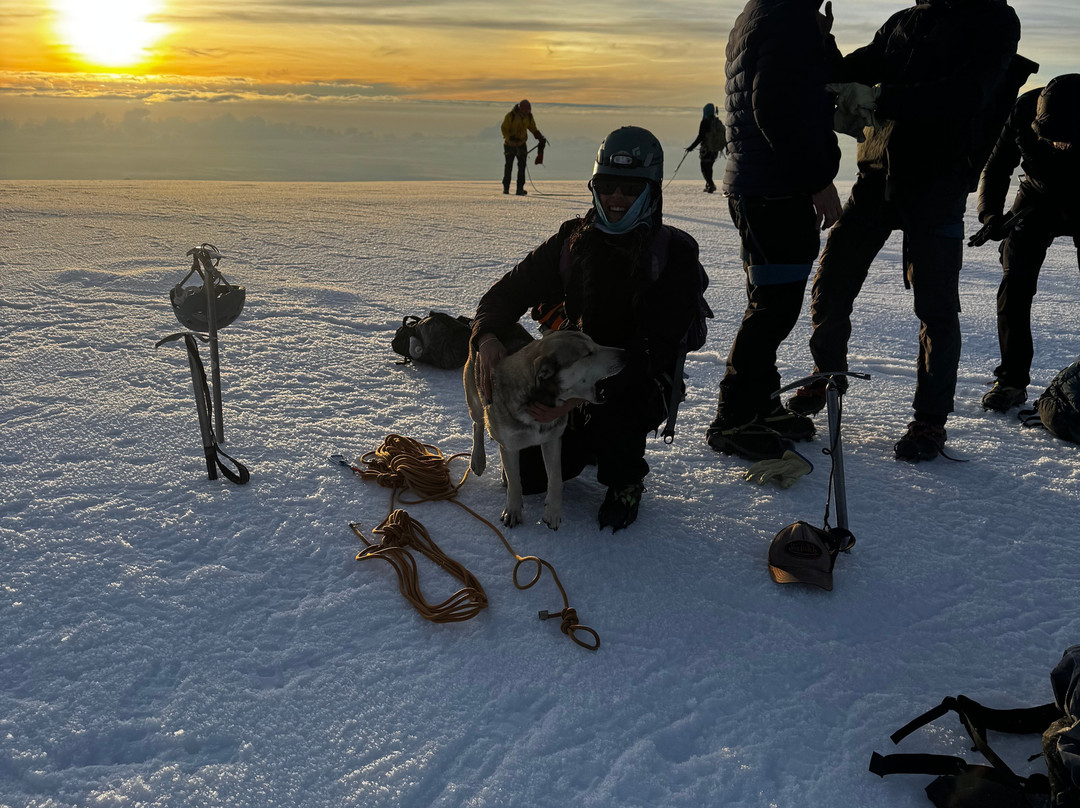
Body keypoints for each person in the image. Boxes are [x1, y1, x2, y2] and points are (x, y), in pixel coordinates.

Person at [786, 0, 1020, 462]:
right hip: (875, 178)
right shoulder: (903, 21)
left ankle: (930, 421)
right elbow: (850, 68)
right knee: (831, 282)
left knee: (935, 308)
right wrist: (818, 35)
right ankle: (827, 374)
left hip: (939, 183)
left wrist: (879, 97)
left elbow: (966, 94)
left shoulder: (992, 18)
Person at [471, 126, 705, 531]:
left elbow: (654, 348)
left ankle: (625, 477)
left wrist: (576, 402)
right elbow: (502, 296)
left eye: (630, 188)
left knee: (618, 419)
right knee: (526, 480)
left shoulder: (675, 255)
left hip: (637, 378)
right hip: (575, 372)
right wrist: (487, 337)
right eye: (607, 185)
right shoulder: (573, 241)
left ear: (652, 191)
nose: (616, 198)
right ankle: (588, 443)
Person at [704, 0, 843, 461]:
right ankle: (733, 417)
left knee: (768, 304)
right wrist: (818, 182)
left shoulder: (763, 11)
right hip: (775, 188)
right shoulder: (788, 15)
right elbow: (776, 107)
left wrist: (821, 40)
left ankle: (760, 403)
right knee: (773, 310)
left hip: (757, 184)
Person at [974, 74, 1080, 413]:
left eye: (1066, 140)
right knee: (1014, 285)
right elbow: (997, 165)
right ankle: (1011, 381)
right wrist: (990, 215)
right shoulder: (1021, 109)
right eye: (1050, 138)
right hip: (1038, 197)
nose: (1057, 146)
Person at [500, 99, 545, 196]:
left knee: (521, 167)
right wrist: (510, 138)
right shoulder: (510, 116)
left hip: (521, 144)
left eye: (529, 110)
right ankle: (506, 188)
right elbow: (504, 128)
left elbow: (532, 128)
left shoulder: (529, 117)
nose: (527, 112)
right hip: (509, 145)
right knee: (509, 166)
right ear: (521, 109)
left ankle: (520, 189)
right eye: (526, 110)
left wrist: (540, 137)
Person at [685, 103, 727, 193]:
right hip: (714, 150)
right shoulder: (717, 122)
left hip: (707, 149)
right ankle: (709, 184)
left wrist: (691, 147)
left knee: (704, 167)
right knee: (709, 167)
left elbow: (701, 136)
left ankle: (710, 184)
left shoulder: (705, 122)